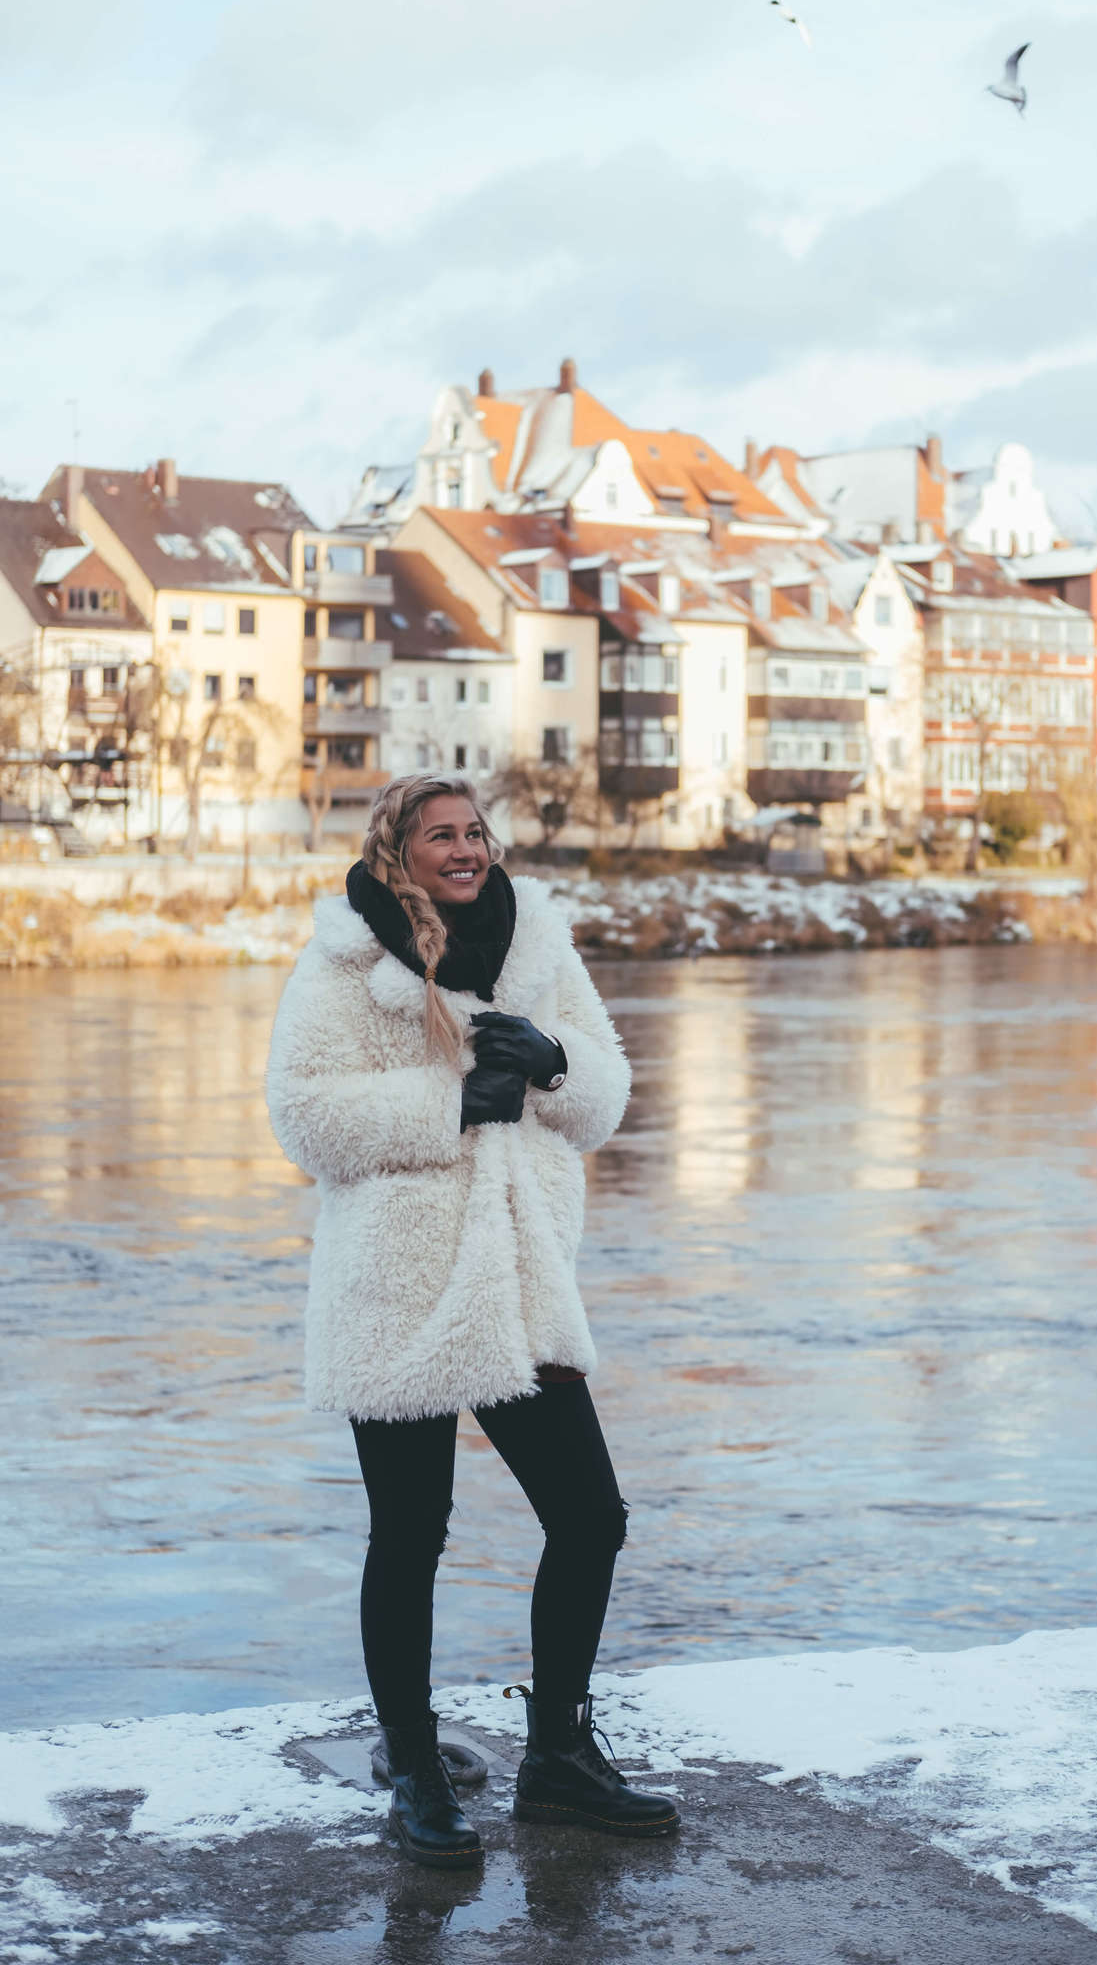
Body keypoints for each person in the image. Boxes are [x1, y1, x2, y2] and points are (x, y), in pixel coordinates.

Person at [266, 773, 680, 1867]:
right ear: (398, 850)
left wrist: (548, 1061)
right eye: (440, 834)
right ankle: (413, 1765)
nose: (466, 848)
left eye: (476, 831)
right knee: (411, 1533)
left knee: (590, 1515)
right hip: (397, 1282)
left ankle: (558, 1755)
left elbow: (602, 1094)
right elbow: (304, 1111)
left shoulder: (538, 937)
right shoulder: (347, 953)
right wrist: (454, 1103)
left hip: (522, 1272)